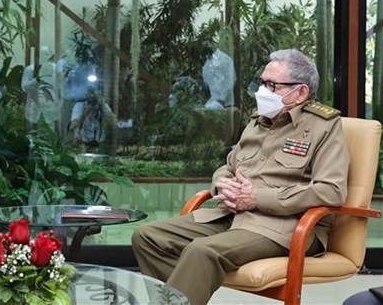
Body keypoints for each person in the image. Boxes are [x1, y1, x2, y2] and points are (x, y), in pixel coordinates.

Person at [131, 49, 349, 305]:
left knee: (202, 251)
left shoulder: (323, 126)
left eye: (272, 85)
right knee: (147, 237)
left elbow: (331, 190)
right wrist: (221, 183)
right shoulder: (259, 121)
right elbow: (228, 166)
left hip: (282, 227)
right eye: (262, 82)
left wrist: (257, 198)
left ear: (300, 92)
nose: (262, 91)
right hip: (232, 215)